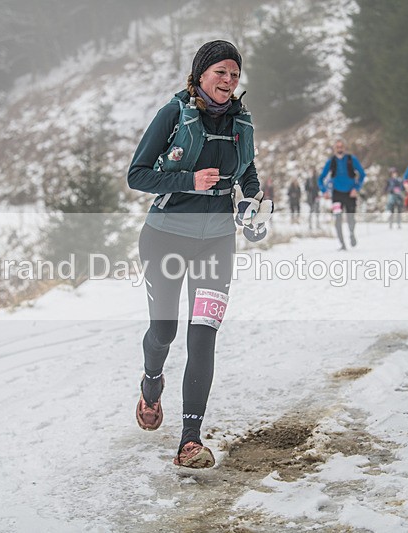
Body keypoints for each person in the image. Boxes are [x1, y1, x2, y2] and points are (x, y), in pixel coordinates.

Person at [127, 41, 272, 469]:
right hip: (165, 238)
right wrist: (189, 181)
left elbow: (247, 176)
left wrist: (253, 209)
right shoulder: (173, 114)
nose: (228, 82)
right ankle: (151, 384)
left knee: (203, 335)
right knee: (165, 332)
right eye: (220, 73)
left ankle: (190, 440)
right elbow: (137, 175)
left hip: (217, 243)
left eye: (234, 74)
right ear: (200, 75)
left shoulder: (242, 123)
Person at [317, 139, 366, 250]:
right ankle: (342, 244)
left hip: (350, 194)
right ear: (334, 149)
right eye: (337, 147)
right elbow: (320, 178)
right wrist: (324, 191)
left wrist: (356, 188)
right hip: (337, 194)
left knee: (351, 218)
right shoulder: (331, 162)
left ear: (344, 148)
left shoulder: (351, 159)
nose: (339, 149)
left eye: (341, 146)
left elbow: (362, 174)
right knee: (337, 219)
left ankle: (352, 234)